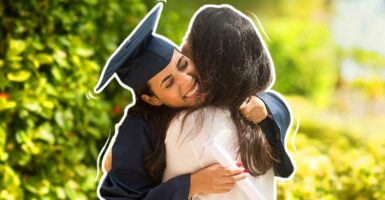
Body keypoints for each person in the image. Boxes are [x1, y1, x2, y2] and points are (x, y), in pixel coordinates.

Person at [95, 3, 292, 200]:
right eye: (169, 83)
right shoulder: (137, 129)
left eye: (183, 64)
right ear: (152, 99)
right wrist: (190, 184)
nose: (187, 81)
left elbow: (263, 97)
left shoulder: (211, 95)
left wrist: (264, 106)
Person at [163, 5, 286, 199]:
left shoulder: (189, 126)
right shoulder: (260, 123)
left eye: (188, 39)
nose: (180, 48)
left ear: (207, 62)